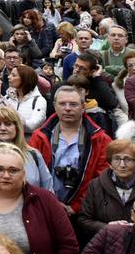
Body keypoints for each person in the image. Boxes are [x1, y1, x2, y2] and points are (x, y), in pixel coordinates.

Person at [30, 84, 111, 214]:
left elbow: (102, 178)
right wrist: (47, 203)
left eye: (73, 104)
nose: (67, 109)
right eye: (62, 104)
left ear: (83, 107)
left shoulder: (100, 139)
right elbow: (31, 175)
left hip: (85, 211)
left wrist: (76, 207)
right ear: (55, 106)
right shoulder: (39, 137)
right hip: (44, 207)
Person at [75, 139, 135, 243]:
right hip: (104, 244)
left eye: (128, 160)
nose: (122, 165)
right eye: (117, 159)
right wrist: (107, 228)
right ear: (110, 163)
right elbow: (83, 220)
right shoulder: (96, 186)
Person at [0, 105, 57, 189]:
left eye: (8, 124)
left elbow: (48, 189)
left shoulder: (34, 155)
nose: (3, 128)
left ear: (17, 127)